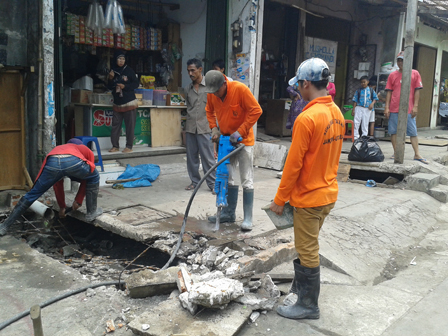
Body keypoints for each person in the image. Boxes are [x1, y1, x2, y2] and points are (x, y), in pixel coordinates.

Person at [269, 58, 345, 320]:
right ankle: (300, 290)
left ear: (306, 84)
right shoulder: (337, 114)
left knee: (307, 249)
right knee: (307, 245)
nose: (297, 91)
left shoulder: (307, 118)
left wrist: (280, 199)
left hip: (309, 199)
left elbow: (293, 166)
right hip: (327, 194)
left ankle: (308, 305)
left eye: (298, 86)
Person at [0, 139, 102, 236]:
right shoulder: (85, 150)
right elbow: (89, 177)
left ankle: (4, 227)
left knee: (31, 195)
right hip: (72, 161)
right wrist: (78, 200)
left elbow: (57, 184)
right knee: (95, 176)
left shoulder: (60, 148)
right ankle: (91, 213)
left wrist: (62, 206)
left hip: (53, 161)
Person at [204, 70, 262, 231]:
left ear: (224, 83)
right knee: (227, 178)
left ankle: (248, 218)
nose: (214, 94)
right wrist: (214, 128)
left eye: (217, 90)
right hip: (225, 140)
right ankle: (229, 213)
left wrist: (241, 131)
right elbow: (209, 111)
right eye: (212, 92)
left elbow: (256, 111)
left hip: (243, 141)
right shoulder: (212, 93)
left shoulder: (240, 89)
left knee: (246, 178)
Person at [384, 51, 427, 163]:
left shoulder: (415, 74)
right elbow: (389, 92)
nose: (400, 62)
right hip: (394, 107)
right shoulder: (392, 75)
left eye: (402, 60)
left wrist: (416, 106)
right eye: (398, 60)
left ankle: (417, 154)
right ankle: (396, 152)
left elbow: (417, 91)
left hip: (409, 107)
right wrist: (387, 107)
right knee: (393, 131)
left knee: (413, 131)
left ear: (408, 61)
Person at [184, 58, 216, 192]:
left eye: (193, 70)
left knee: (208, 158)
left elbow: (216, 108)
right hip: (191, 126)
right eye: (188, 71)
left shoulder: (210, 87)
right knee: (191, 158)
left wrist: (215, 128)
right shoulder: (188, 89)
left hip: (205, 127)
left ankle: (213, 184)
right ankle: (195, 182)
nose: (190, 73)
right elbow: (189, 106)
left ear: (200, 70)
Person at [108, 50, 139, 154]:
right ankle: (115, 146)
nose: (121, 61)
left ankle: (129, 146)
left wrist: (125, 86)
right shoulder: (113, 71)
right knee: (115, 125)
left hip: (129, 102)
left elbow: (136, 84)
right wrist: (110, 79)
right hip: (117, 102)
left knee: (129, 125)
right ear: (115, 60)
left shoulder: (129, 71)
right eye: (119, 59)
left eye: (123, 59)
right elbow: (109, 87)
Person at [351, 75, 378, 140]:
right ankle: (355, 136)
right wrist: (353, 110)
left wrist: (372, 104)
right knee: (356, 122)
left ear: (368, 82)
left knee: (365, 123)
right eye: (361, 82)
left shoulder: (371, 90)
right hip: (359, 107)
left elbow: (375, 98)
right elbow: (355, 100)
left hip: (367, 109)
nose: (363, 83)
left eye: (364, 82)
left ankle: (364, 136)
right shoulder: (358, 91)